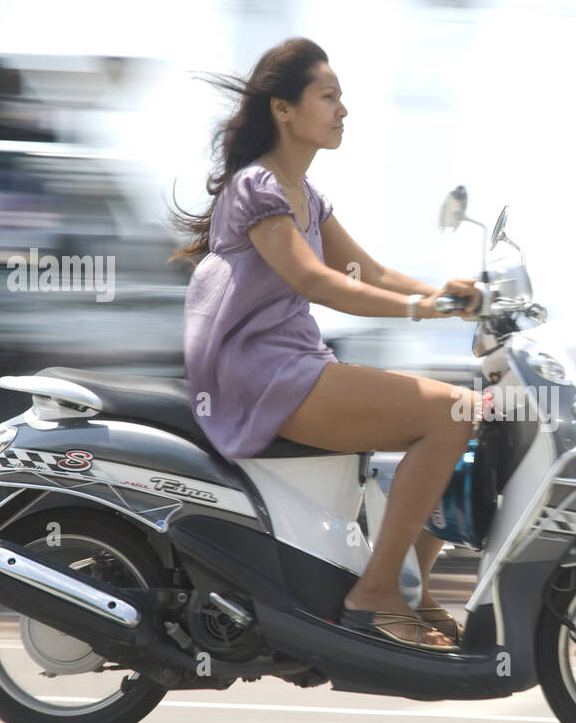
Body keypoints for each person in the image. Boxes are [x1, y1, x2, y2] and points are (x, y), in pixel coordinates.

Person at [171, 37, 482, 652]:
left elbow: (370, 272)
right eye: (329, 97)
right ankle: (376, 594)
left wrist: (443, 291)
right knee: (455, 412)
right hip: (260, 375)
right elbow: (314, 280)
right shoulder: (255, 188)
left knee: (469, 421)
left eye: (342, 99)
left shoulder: (306, 197)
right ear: (284, 110)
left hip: (295, 365)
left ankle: (410, 591)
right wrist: (421, 310)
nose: (343, 111)